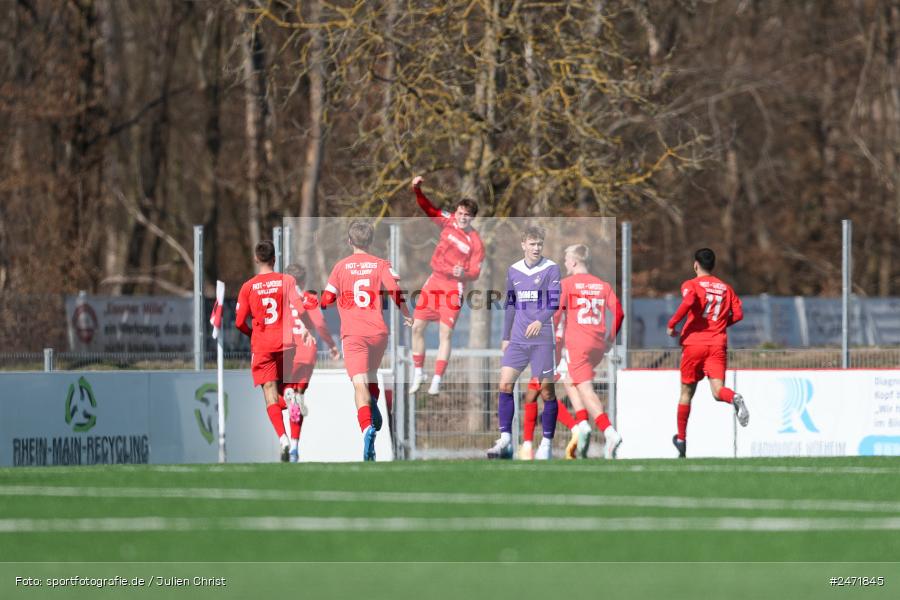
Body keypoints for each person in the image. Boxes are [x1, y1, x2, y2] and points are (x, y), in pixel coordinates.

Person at [320, 221, 412, 461]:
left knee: (359, 383)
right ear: (371, 242)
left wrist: (332, 297)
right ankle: (374, 406)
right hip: (378, 333)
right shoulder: (381, 264)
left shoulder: (340, 267)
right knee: (371, 375)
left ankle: (367, 428)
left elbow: (326, 299)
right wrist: (406, 314)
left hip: (354, 334)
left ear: (350, 242)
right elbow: (394, 290)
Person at [235, 241, 315, 462]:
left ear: (255, 259)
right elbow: (300, 310)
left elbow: (239, 322)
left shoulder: (248, 287)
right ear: (274, 259)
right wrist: (307, 329)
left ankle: (283, 439)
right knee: (286, 388)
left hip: (262, 346)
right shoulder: (287, 281)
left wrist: (253, 334)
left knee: (270, 395)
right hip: (286, 344)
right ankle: (290, 396)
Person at [487, 225, 561, 460]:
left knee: (547, 392)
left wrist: (540, 320)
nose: (536, 248)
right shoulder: (513, 270)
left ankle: (547, 444)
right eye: (532, 244)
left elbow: (554, 302)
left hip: (542, 341)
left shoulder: (551, 269)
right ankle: (506, 440)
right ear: (523, 245)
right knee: (505, 385)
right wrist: (505, 337)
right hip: (518, 340)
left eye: (539, 244)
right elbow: (510, 305)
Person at [666, 247, 749, 458]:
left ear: (695, 264)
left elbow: (688, 301)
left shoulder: (691, 284)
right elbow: (738, 314)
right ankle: (734, 398)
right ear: (713, 265)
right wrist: (720, 324)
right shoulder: (725, 288)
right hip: (717, 344)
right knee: (718, 391)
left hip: (695, 344)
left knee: (686, 394)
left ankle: (682, 440)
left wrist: (673, 323)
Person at [409, 176, 484, 396]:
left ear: (472, 218)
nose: (462, 217)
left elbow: (476, 272)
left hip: (453, 288)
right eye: (460, 213)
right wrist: (417, 190)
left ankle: (437, 379)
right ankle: (419, 373)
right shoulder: (448, 220)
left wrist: (466, 273)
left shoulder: (476, 242)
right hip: (434, 281)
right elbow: (428, 209)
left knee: (445, 333)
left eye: (466, 215)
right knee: (416, 328)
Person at [552, 244, 624, 460]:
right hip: (597, 344)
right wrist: (610, 339)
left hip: (578, 344)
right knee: (569, 378)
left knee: (584, 387)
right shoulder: (602, 285)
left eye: (566, 260)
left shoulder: (566, 284)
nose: (564, 264)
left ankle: (609, 432)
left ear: (573, 262)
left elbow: (556, 315)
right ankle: (583, 424)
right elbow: (619, 313)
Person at [280, 262, 341, 462]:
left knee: (275, 395)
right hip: (307, 355)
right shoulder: (310, 298)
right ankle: (295, 447)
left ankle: (287, 398)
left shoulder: (279, 299)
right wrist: (332, 345)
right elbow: (321, 323)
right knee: (297, 400)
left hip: (287, 353)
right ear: (304, 281)